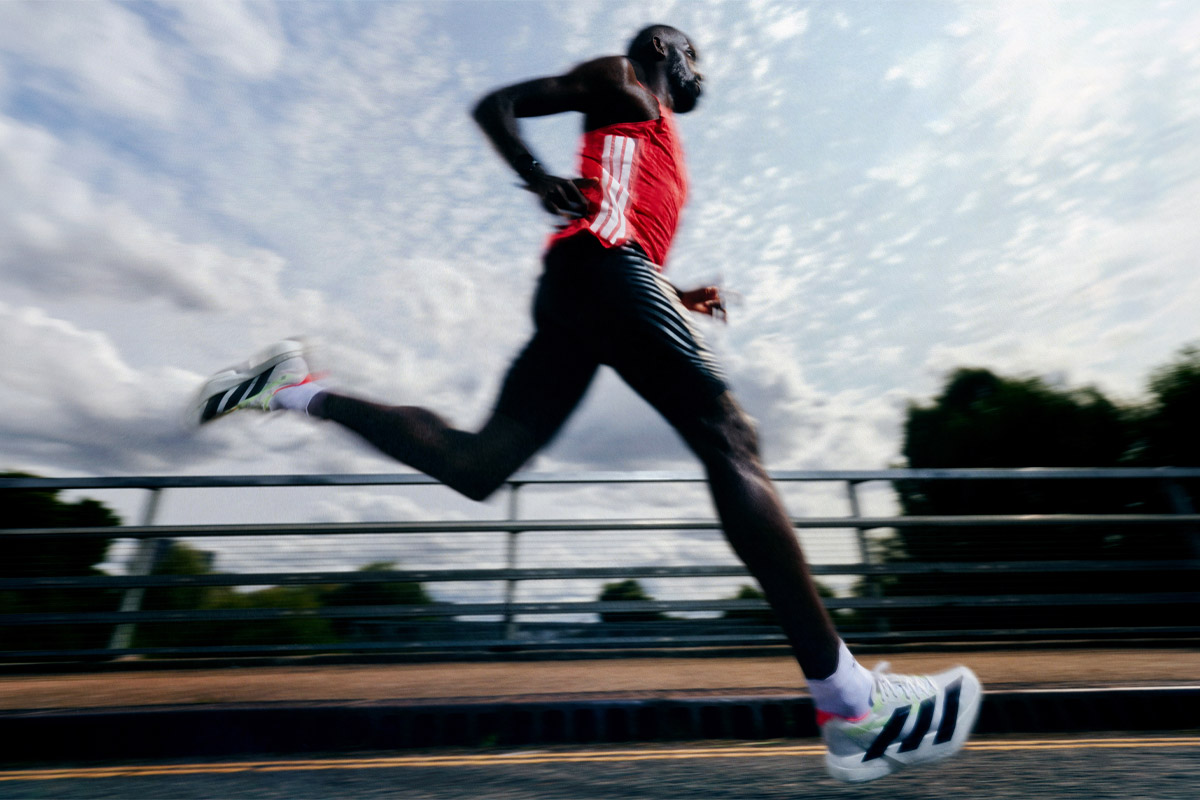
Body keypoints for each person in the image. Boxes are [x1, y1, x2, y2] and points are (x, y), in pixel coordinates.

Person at [192, 25, 980, 782]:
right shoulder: (625, 79)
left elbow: (619, 220)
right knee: (731, 440)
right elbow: (495, 106)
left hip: (592, 283)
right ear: (669, 51)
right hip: (601, 269)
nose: (701, 71)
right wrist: (539, 180)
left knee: (477, 464)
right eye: (695, 55)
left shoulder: (655, 132)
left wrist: (677, 293)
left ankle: (296, 389)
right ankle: (851, 705)